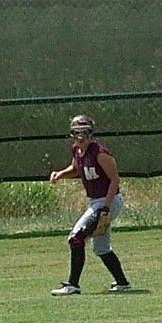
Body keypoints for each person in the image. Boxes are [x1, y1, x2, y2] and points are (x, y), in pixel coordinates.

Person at [48, 114, 133, 295]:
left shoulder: (99, 153)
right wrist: (60, 174)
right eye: (76, 133)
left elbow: (114, 180)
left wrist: (106, 207)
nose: (80, 137)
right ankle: (122, 282)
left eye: (84, 132)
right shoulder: (77, 150)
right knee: (101, 248)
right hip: (97, 201)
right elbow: (75, 169)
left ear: (91, 133)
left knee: (76, 238)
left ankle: (73, 284)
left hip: (107, 201)